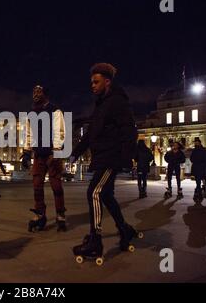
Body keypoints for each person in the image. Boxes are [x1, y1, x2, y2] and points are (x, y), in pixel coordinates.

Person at [70, 63, 142, 264]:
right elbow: (91, 134)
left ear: (107, 82)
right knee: (107, 196)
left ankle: (95, 241)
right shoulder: (101, 104)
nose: (92, 85)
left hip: (111, 157)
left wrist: (126, 158)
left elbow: (130, 131)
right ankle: (125, 230)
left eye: (96, 82)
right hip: (102, 157)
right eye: (91, 82)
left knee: (94, 192)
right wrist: (75, 154)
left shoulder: (118, 102)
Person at [21, 85, 67, 232]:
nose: (35, 94)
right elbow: (28, 134)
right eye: (33, 91)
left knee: (56, 186)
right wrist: (27, 152)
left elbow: (59, 132)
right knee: (36, 185)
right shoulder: (31, 114)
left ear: (45, 94)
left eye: (38, 91)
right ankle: (40, 214)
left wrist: (56, 150)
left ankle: (60, 215)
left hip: (52, 153)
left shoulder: (55, 110)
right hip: (39, 155)